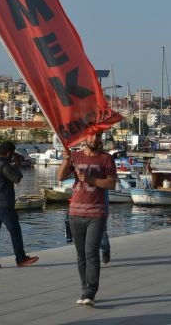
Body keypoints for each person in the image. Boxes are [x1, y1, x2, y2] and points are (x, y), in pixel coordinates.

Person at [57, 131, 117, 307]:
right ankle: (84, 289)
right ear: (85, 138)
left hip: (97, 213)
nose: (95, 139)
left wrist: (91, 179)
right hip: (75, 212)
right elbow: (60, 177)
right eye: (92, 136)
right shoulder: (75, 157)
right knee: (80, 255)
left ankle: (90, 291)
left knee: (91, 253)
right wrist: (66, 160)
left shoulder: (106, 159)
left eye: (98, 136)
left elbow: (111, 183)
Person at [0, 141, 39, 269]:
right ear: (8, 153)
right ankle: (21, 258)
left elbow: (4, 176)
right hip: (4, 205)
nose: (13, 157)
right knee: (15, 231)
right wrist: (17, 165)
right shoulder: (3, 164)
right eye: (12, 154)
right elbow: (16, 179)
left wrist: (13, 165)